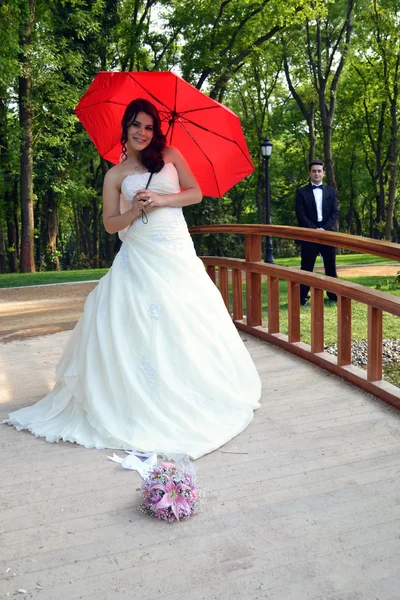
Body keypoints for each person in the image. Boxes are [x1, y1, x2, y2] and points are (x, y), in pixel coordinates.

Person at [4, 98, 261, 460]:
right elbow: (111, 224)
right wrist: (135, 210)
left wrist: (159, 198)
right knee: (137, 321)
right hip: (138, 256)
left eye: (149, 126)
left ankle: (193, 389)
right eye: (136, 125)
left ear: (156, 131)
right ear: (125, 128)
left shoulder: (170, 155)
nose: (142, 132)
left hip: (176, 252)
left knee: (185, 318)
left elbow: (195, 193)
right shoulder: (115, 175)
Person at [295, 159, 339, 306]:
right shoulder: (301, 192)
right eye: (314, 171)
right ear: (309, 173)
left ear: (324, 173)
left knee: (330, 265)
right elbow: (300, 214)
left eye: (319, 171)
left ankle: (333, 294)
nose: (317, 173)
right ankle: (302, 296)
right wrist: (314, 229)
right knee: (306, 265)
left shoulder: (331, 191)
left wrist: (324, 229)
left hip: (327, 233)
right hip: (309, 233)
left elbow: (335, 213)